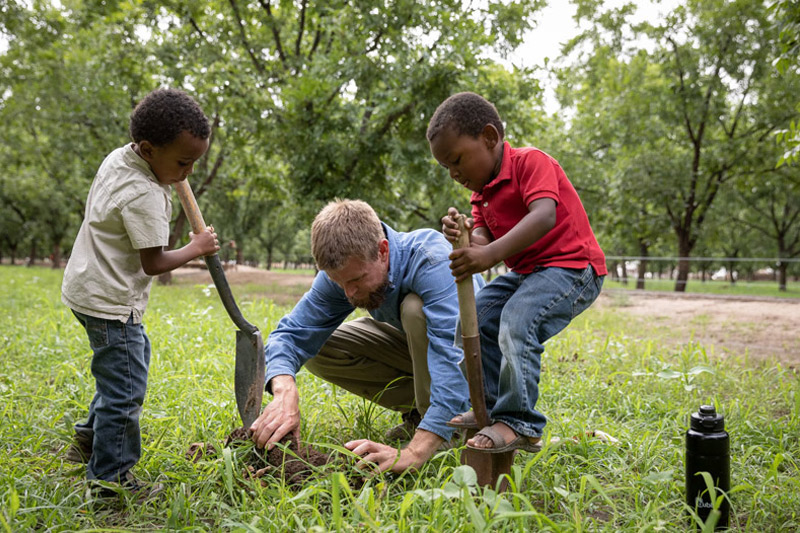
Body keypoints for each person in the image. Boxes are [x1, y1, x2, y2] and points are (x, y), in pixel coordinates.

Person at [249, 199, 485, 473]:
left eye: (356, 280)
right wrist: (284, 390)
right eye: (339, 282)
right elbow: (292, 334)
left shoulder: (433, 261)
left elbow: (453, 356)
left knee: (413, 310)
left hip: (480, 368)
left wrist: (414, 453)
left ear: (382, 251)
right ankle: (420, 414)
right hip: (425, 352)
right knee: (320, 348)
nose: (348, 292)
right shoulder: (346, 272)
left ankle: (449, 430)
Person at [428, 92, 606, 453]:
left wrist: (488, 254)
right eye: (446, 167)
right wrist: (466, 236)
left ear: (489, 137)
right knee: (476, 317)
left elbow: (543, 216)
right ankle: (490, 409)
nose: (454, 174)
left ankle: (519, 422)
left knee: (517, 320)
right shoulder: (481, 195)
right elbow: (484, 238)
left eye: (457, 160)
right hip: (530, 273)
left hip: (573, 267)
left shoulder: (530, 163)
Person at [61, 88, 220, 495]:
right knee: (125, 389)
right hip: (110, 302)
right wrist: (197, 247)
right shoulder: (144, 194)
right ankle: (110, 480)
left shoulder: (120, 158)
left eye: (195, 163)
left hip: (88, 287)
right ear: (148, 150)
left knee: (124, 369)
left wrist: (175, 170)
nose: (188, 173)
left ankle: (88, 438)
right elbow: (154, 263)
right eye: (182, 163)